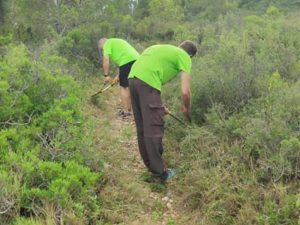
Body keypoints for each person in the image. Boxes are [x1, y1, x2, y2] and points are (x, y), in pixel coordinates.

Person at [128, 40, 197, 183]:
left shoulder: (160, 48)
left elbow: (151, 79)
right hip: (147, 82)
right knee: (153, 129)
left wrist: (159, 107)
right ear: (190, 56)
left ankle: (151, 168)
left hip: (132, 80)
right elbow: (185, 92)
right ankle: (160, 175)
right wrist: (187, 108)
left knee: (142, 128)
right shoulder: (184, 56)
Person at [98, 38, 139, 118]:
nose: (103, 50)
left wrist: (106, 75)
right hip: (137, 60)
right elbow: (124, 62)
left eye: (102, 48)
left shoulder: (107, 44)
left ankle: (126, 112)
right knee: (131, 85)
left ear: (102, 44)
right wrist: (118, 76)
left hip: (127, 61)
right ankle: (130, 110)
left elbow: (106, 59)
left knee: (124, 87)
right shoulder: (116, 42)